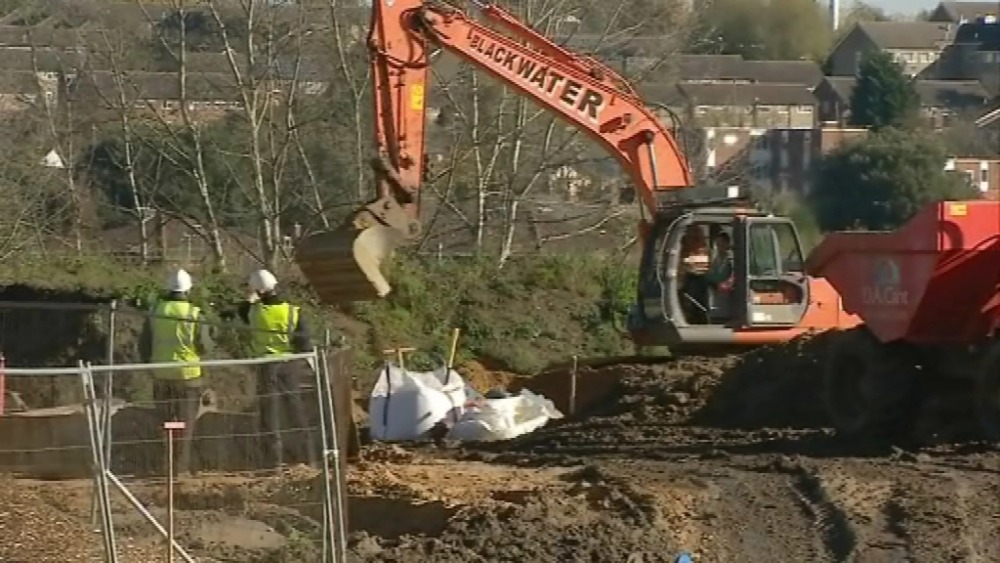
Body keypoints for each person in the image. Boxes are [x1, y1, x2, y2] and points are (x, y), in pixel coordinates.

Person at [238, 268, 317, 469]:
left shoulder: (253, 312)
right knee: (295, 410)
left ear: (258, 291)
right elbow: (304, 344)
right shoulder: (292, 312)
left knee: (269, 414)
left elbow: (242, 309)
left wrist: (251, 297)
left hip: (265, 367)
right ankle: (307, 457)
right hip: (289, 365)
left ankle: (272, 462)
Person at [138, 268, 213, 476]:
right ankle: (179, 470)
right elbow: (205, 346)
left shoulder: (155, 311)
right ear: (188, 290)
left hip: (161, 376)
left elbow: (144, 345)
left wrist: (150, 367)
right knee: (184, 425)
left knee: (165, 423)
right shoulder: (194, 313)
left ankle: (164, 466)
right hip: (188, 378)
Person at [705, 231, 735, 318]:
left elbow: (735, 273)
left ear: (727, 243)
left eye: (722, 243)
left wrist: (727, 284)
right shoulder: (713, 258)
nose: (719, 246)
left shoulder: (732, 258)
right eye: (718, 244)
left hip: (727, 291)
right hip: (713, 289)